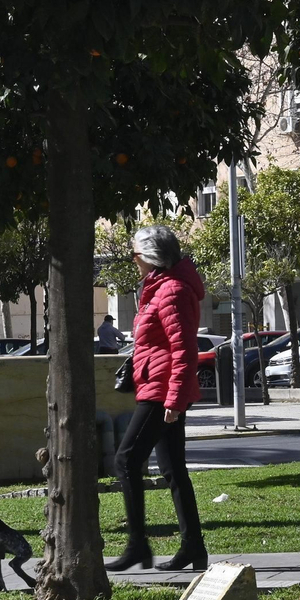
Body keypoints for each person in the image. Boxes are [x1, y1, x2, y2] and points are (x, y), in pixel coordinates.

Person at [105, 225, 207, 572]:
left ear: (148, 257)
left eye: (135, 255)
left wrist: (174, 401)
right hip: (158, 387)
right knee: (173, 470)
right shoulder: (159, 289)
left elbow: (185, 350)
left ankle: (138, 547)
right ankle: (193, 547)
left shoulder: (172, 291)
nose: (134, 261)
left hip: (163, 391)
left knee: (126, 461)